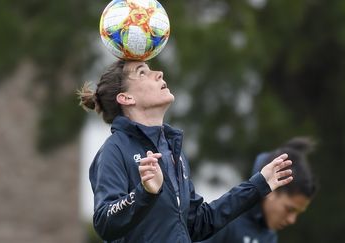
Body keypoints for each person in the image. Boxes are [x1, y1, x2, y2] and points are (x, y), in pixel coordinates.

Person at [77, 59, 294, 243]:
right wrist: (144, 193)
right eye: (143, 72)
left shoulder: (173, 150)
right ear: (126, 98)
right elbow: (105, 222)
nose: (159, 73)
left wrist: (258, 185)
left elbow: (199, 222)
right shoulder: (114, 150)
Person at [197, 137, 318, 243]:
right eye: (289, 209)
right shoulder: (224, 221)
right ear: (272, 190)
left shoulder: (269, 236)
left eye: (298, 213)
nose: (292, 220)